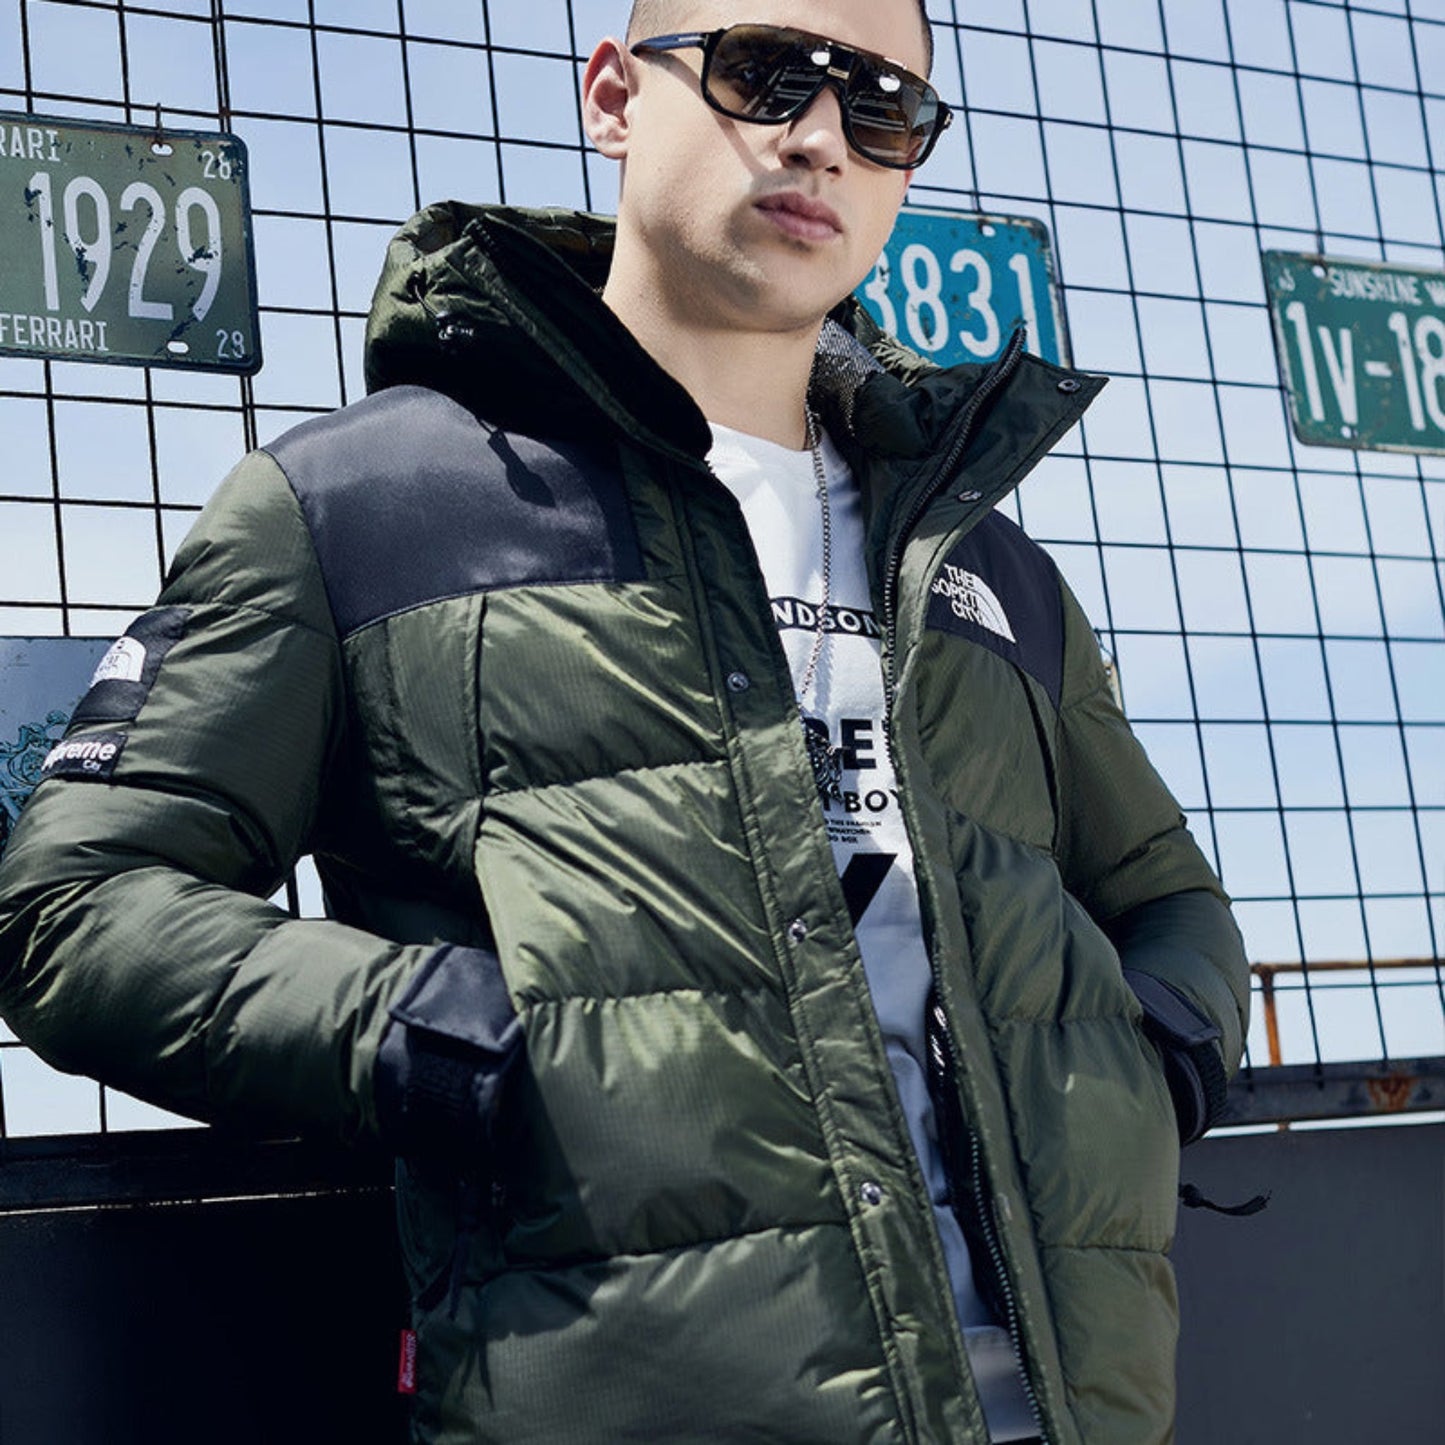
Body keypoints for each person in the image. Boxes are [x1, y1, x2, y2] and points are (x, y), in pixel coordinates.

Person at [0, 2, 1250, 1441]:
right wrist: (432, 1033)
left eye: (884, 107)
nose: (820, 136)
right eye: (765, 73)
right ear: (612, 95)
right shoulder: (365, 504)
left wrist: (1143, 1071)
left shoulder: (983, 563)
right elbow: (78, 907)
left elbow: (1170, 900)